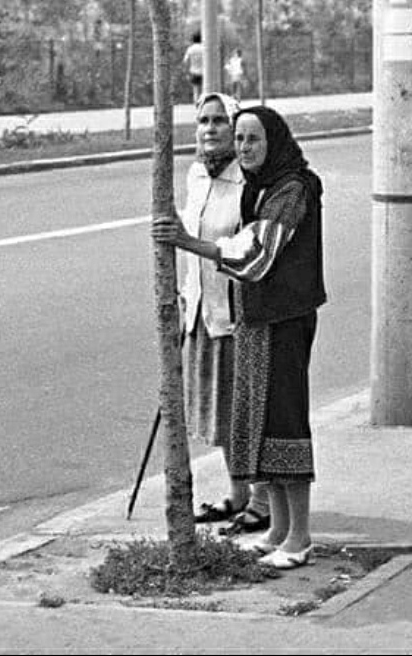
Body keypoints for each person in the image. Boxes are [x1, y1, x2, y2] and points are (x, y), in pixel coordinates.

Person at [152, 105, 326, 570]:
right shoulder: (261, 188)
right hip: (254, 318)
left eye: (254, 139)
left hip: (284, 320)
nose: (245, 147)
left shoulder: (291, 190)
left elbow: (257, 256)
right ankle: (278, 531)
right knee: (260, 421)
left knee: (284, 422)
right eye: (241, 139)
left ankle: (300, 537)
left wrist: (190, 243)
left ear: (275, 141)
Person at [177, 91, 270, 533]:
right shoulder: (195, 175)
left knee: (247, 410)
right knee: (220, 411)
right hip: (201, 308)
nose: (210, 129)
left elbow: (245, 246)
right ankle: (238, 492)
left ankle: (264, 498)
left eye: (219, 121)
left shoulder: (247, 180)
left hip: (237, 313)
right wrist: (182, 296)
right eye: (203, 121)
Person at [183, 32, 204, 103]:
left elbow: (185, 61)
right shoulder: (204, 48)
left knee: (196, 90)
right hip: (204, 72)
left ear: (193, 40)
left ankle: (196, 104)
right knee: (203, 90)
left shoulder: (190, 49)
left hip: (193, 71)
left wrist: (186, 72)